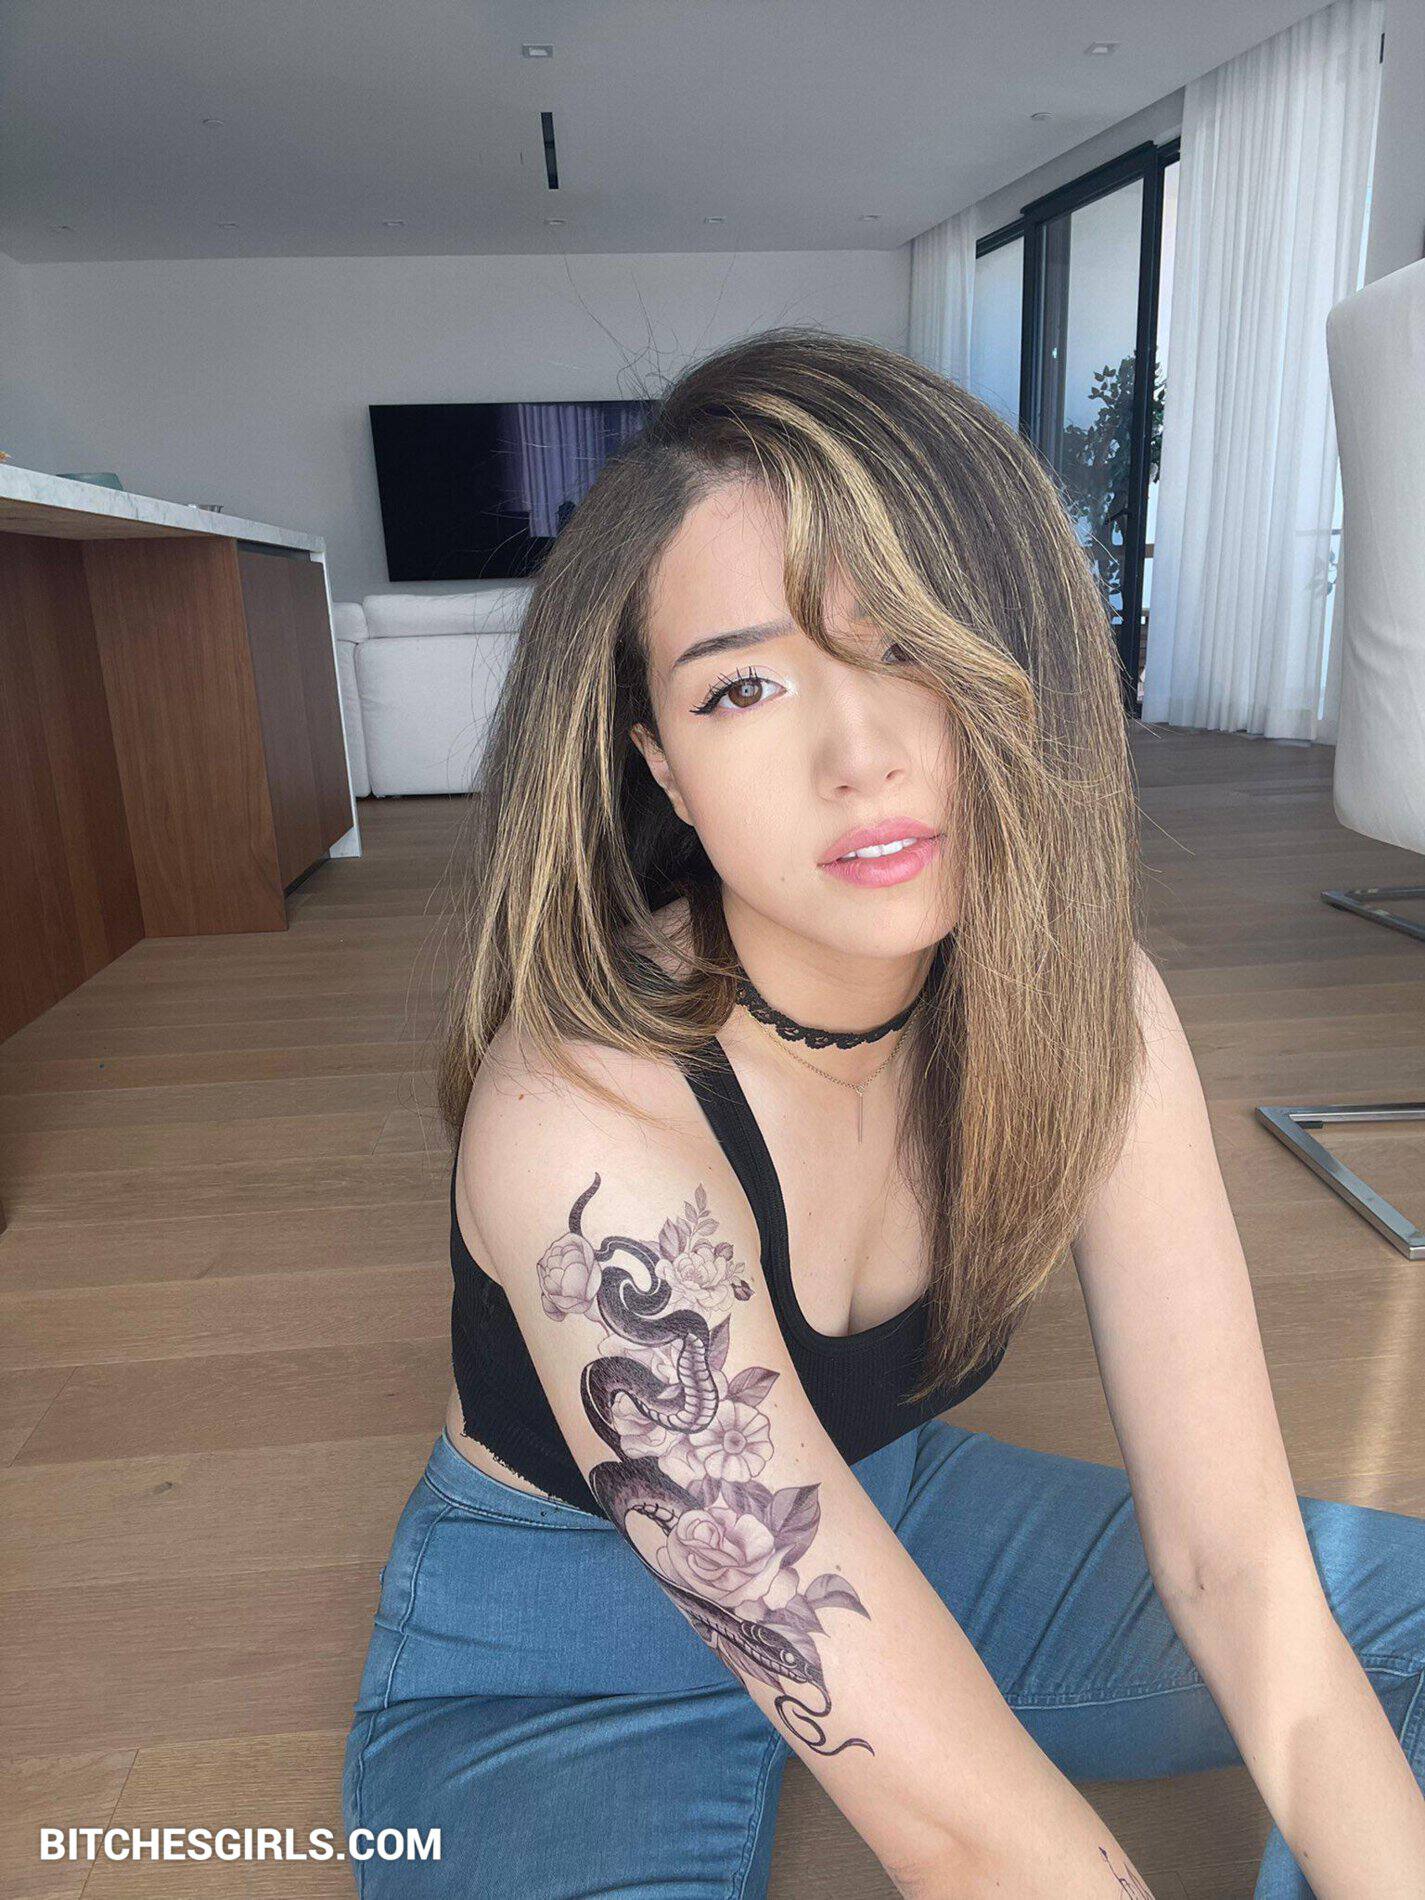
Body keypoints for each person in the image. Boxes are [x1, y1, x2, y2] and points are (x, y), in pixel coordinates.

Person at [342, 328, 1425, 1898]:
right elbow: (979, 1848)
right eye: (743, 687)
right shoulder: (575, 1121)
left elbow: (1234, 1566)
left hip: (899, 1515)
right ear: (662, 764)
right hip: (564, 1645)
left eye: (907, 645)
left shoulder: (1085, 1003)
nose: (860, 757)